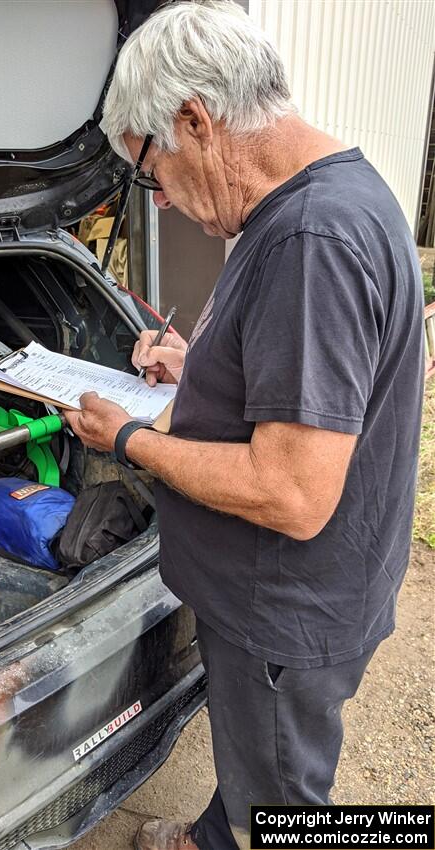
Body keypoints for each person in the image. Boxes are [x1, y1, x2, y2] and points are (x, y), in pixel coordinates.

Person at [64, 2, 425, 849]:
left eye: (154, 176)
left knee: (289, 810)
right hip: (319, 592)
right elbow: (327, 382)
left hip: (285, 608)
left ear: (195, 120)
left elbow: (293, 493)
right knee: (265, 766)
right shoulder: (343, 190)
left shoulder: (311, 239)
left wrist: (129, 438)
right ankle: (213, 836)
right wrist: (201, 367)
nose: (167, 202)